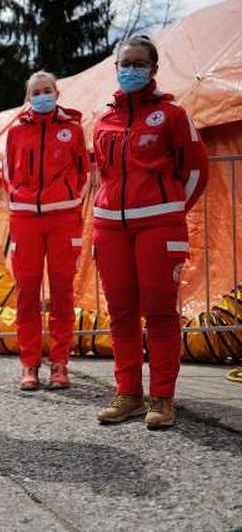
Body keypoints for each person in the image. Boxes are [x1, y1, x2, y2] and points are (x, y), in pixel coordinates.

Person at [92, 36, 208, 429]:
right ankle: (128, 394)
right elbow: (105, 175)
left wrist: (169, 209)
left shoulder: (173, 114)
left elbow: (194, 173)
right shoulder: (103, 118)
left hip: (159, 226)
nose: (130, 69)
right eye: (124, 63)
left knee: (159, 312)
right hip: (109, 228)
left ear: (154, 69)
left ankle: (162, 398)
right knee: (121, 312)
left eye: (138, 63)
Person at [3, 71, 88, 391]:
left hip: (63, 219)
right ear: (28, 98)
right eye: (35, 92)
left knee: (63, 292)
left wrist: (64, 197)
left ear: (57, 92)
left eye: (47, 90)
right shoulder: (15, 133)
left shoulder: (73, 129)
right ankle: (29, 363)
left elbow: (83, 171)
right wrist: (21, 199)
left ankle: (60, 363)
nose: (42, 96)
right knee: (26, 293)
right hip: (25, 219)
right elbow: (10, 174)